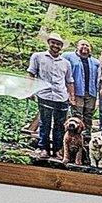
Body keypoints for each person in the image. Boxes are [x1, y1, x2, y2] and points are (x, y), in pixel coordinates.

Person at [24, 31, 73, 160]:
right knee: (44, 122)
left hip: (61, 96)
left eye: (58, 44)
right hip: (44, 94)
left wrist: (71, 96)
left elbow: (69, 80)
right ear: (49, 43)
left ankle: (57, 149)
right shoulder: (38, 57)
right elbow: (31, 74)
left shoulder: (66, 62)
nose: (55, 46)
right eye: (53, 43)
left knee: (60, 124)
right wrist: (29, 91)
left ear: (61, 46)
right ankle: (43, 148)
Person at [64, 36, 102, 165]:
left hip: (91, 92)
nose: (84, 47)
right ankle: (71, 140)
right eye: (82, 45)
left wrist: (98, 96)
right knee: (77, 115)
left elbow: (99, 79)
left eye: (87, 45)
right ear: (77, 46)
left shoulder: (95, 62)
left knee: (88, 116)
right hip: (77, 91)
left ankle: (85, 142)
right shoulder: (69, 56)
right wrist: (69, 92)